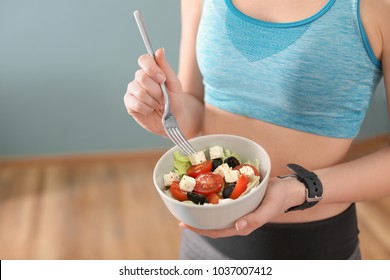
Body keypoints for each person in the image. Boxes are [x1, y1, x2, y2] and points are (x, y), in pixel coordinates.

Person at [124, 0, 390, 260]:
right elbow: (196, 107)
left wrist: (296, 189)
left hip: (309, 251)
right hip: (202, 241)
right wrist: (168, 115)